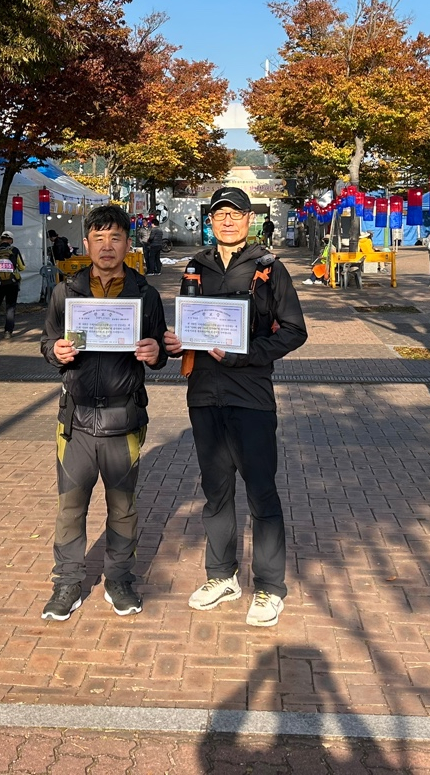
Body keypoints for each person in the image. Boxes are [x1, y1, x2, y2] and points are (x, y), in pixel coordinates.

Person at [164, 186, 308, 628]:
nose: (227, 221)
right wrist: (175, 342)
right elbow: (189, 323)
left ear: (249, 219)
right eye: (220, 214)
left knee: (261, 492)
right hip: (204, 396)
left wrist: (246, 354)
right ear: (210, 220)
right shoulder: (195, 266)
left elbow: (294, 331)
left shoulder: (269, 267)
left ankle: (269, 587)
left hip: (251, 396)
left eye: (236, 213)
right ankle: (222, 576)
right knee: (216, 492)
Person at [39, 204, 168, 621]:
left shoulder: (145, 295)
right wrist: (55, 351)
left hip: (123, 418)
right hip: (75, 420)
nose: (107, 246)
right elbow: (47, 341)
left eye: (115, 238)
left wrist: (155, 352)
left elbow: (160, 351)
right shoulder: (66, 292)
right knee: (70, 507)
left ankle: (119, 579)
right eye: (99, 238)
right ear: (87, 243)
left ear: (128, 244)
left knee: (123, 507)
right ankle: (67, 582)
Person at [0, 232, 26, 338]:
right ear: (11, 240)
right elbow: (22, 267)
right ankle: (8, 332)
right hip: (12, 282)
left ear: (1, 239)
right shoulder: (14, 250)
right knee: (10, 307)